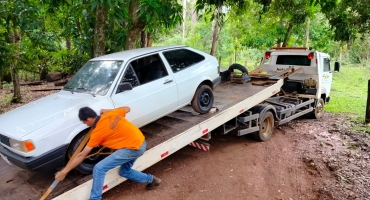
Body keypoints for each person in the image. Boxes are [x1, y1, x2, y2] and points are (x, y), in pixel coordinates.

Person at [55, 106, 161, 200]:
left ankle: (95, 198)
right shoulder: (111, 114)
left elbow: (82, 155)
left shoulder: (98, 132)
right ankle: (152, 180)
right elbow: (128, 108)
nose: (86, 124)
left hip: (133, 148)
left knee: (99, 168)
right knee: (125, 172)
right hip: (140, 142)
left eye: (85, 122)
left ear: (88, 119)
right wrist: (108, 110)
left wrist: (64, 171)